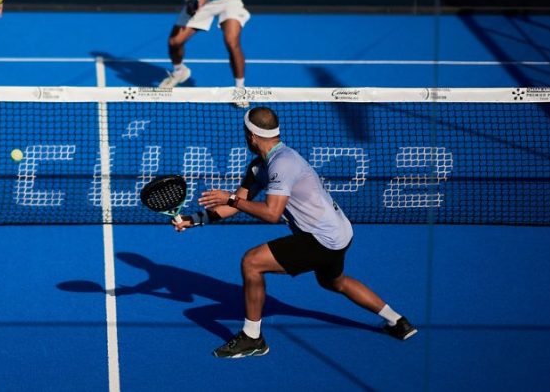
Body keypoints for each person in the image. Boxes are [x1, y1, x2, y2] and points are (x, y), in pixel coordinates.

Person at [173, 106, 417, 358]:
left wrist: (232, 199)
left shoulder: (283, 164)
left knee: (252, 262)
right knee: (336, 282)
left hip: (321, 237)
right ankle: (397, 322)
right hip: (340, 232)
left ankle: (252, 338)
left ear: (251, 136)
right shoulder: (259, 167)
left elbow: (270, 213)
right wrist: (194, 219)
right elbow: (234, 206)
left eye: (246, 133)